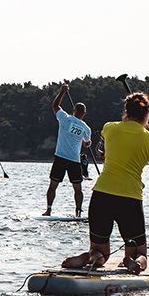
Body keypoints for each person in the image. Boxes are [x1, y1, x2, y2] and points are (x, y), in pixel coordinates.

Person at [62, 92, 149, 274]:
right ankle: (132, 261)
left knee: (100, 253)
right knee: (140, 252)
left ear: (126, 111)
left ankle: (87, 257)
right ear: (147, 114)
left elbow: (105, 154)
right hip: (129, 199)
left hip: (101, 195)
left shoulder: (109, 128)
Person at [44, 84, 92, 218]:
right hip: (74, 160)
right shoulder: (86, 128)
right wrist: (88, 143)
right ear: (84, 114)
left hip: (60, 157)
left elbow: (55, 106)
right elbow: (87, 143)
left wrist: (62, 92)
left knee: (53, 185)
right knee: (77, 188)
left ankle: (48, 210)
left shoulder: (65, 119)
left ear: (74, 110)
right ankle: (78, 212)